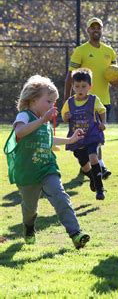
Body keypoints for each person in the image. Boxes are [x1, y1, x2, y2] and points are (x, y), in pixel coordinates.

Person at [5, 75, 90, 248]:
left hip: (47, 169)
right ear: (34, 100)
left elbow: (48, 139)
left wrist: (70, 140)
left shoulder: (44, 122)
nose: (53, 106)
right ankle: (29, 227)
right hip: (27, 172)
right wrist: (42, 120)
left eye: (54, 102)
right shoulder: (25, 115)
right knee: (30, 209)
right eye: (49, 101)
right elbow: (20, 132)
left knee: (61, 197)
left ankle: (76, 233)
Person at [64, 17, 118, 179]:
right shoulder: (80, 51)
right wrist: (67, 100)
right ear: (88, 30)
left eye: (99, 27)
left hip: (103, 102)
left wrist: (117, 81)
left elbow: (115, 81)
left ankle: (92, 166)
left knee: (96, 135)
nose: (96, 30)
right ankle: (97, 166)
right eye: (92, 27)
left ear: (102, 30)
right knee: (87, 137)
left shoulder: (109, 51)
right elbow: (70, 77)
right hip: (82, 102)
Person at [62, 68, 107, 200]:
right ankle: (93, 179)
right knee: (84, 165)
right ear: (73, 87)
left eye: (83, 86)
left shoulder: (94, 100)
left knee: (93, 158)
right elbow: (64, 117)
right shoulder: (69, 102)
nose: (80, 89)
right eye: (77, 86)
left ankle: (100, 189)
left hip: (92, 135)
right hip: (77, 139)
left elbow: (102, 110)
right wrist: (67, 116)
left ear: (90, 87)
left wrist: (103, 122)